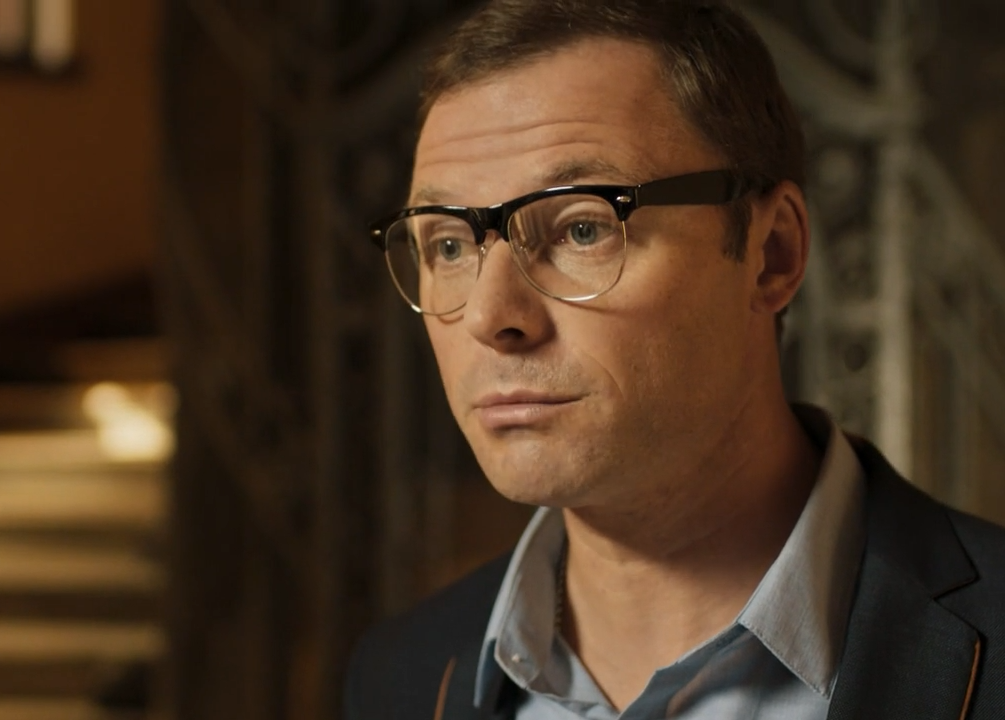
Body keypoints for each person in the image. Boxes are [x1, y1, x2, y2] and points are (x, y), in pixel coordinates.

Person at [343, 1, 1005, 718]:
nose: (489, 316)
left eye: (582, 228)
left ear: (772, 254)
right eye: (447, 245)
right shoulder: (399, 677)